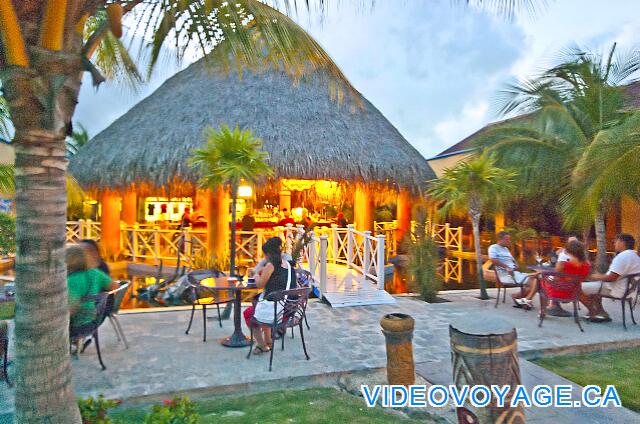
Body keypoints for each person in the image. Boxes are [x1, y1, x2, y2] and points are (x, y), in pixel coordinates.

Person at [245, 237, 297, 354]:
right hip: (289, 309)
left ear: (268, 254)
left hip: (278, 312)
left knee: (248, 313)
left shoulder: (271, 265)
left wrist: (255, 275)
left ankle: (261, 345)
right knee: (262, 306)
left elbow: (260, 284)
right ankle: (268, 341)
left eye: (265, 255)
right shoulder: (287, 265)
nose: (265, 257)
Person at [513, 239, 591, 315]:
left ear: (568, 251)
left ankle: (540, 308)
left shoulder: (563, 264)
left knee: (540, 279)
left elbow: (555, 275)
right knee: (541, 277)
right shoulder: (587, 265)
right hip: (573, 293)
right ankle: (528, 300)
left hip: (557, 292)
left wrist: (540, 273)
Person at [580, 233, 640, 322]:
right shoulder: (635, 256)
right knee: (594, 287)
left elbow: (611, 278)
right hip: (628, 290)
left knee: (576, 287)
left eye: (616, 241)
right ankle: (602, 313)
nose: (614, 243)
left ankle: (594, 312)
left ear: (622, 243)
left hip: (615, 289)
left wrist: (595, 277)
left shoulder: (623, 256)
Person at [66, 245, 118, 336]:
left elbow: (71, 307)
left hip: (76, 327)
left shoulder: (71, 281)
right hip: (92, 322)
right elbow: (114, 286)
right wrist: (99, 296)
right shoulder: (95, 273)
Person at [488, 231, 536, 307]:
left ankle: (518, 297)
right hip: (506, 275)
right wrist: (507, 267)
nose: (509, 241)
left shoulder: (506, 249)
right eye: (507, 239)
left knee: (536, 280)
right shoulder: (493, 247)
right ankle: (525, 300)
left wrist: (516, 264)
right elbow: (493, 259)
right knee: (534, 281)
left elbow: (512, 260)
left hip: (514, 273)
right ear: (500, 239)